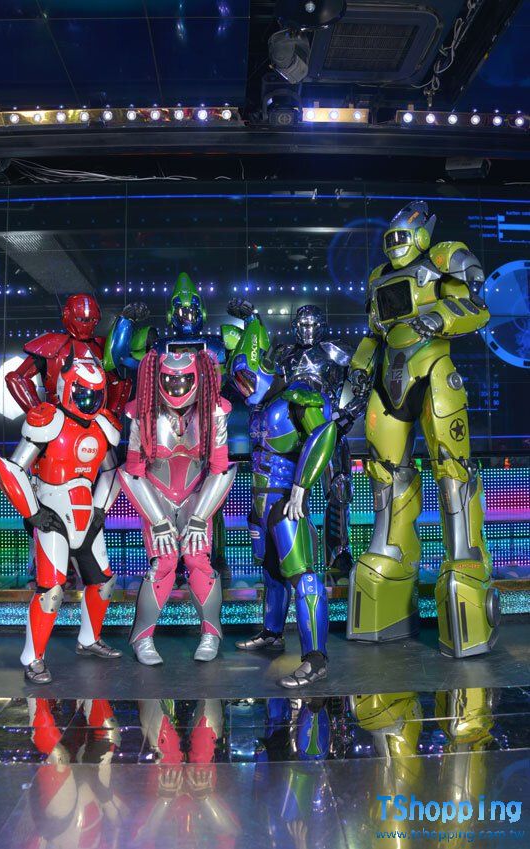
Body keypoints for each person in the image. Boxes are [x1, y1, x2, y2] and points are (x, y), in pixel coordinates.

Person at [347, 200, 498, 657]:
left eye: (403, 235)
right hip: (388, 381)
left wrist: (442, 316)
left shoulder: (441, 259)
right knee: (386, 475)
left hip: (433, 372)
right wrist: (358, 371)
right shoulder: (379, 278)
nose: (396, 243)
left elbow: (477, 306)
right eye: (390, 237)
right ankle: (391, 554)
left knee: (452, 471)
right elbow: (373, 334)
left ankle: (463, 556)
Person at [0, 351, 123, 684]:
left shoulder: (103, 426)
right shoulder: (47, 420)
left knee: (103, 581)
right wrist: (34, 513)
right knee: (51, 590)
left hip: (87, 514)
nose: (89, 401)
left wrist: (100, 508)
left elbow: (112, 471)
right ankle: (33, 658)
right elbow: (13, 468)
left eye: (95, 394)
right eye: (83, 393)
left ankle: (89, 638)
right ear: (68, 387)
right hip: (51, 513)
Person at [226, 311, 336, 688]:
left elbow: (324, 435)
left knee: (302, 576)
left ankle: (316, 658)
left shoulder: (298, 396)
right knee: (272, 573)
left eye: (247, 377)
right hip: (261, 502)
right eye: (238, 382)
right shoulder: (260, 407)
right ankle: (272, 633)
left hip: (288, 502)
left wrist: (302, 486)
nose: (244, 388)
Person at [118, 348, 236, 665]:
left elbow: (220, 468)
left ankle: (211, 633)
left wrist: (199, 517)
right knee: (164, 563)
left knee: (199, 561)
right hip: (155, 496)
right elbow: (133, 471)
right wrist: (157, 519)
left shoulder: (214, 412)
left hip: (197, 496)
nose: (177, 388)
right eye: (170, 381)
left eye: (184, 381)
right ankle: (142, 638)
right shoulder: (143, 413)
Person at [272, 304, 366, 580]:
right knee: (288, 495)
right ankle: (295, 553)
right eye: (302, 325)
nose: (307, 330)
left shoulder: (334, 350)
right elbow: (268, 392)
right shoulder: (284, 355)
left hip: (327, 428)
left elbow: (364, 384)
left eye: (312, 324)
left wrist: (348, 414)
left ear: (321, 326)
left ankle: (338, 552)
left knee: (339, 489)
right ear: (294, 327)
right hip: (290, 432)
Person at [6, 292, 131, 416]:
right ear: (67, 315)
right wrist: (38, 412)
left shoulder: (100, 346)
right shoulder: (52, 344)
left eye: (91, 319)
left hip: (96, 416)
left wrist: (110, 415)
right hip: (60, 416)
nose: (86, 324)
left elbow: (117, 383)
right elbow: (16, 379)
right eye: (81, 319)